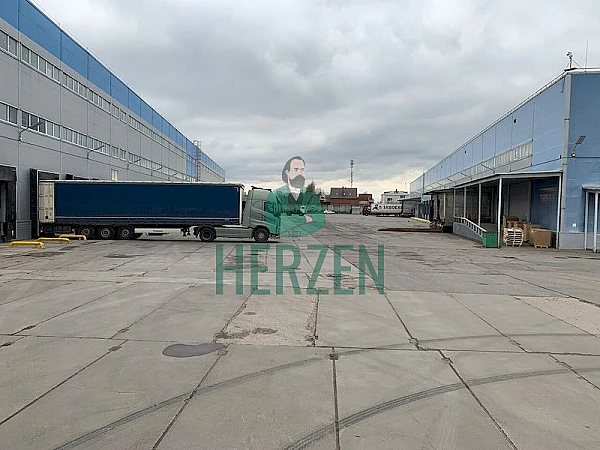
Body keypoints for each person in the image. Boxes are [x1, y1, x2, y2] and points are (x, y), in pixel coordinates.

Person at [266, 156, 325, 237]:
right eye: (296, 169)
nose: (299, 173)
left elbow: (320, 220)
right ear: (287, 172)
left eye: (302, 170)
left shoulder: (309, 195)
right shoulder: (278, 194)